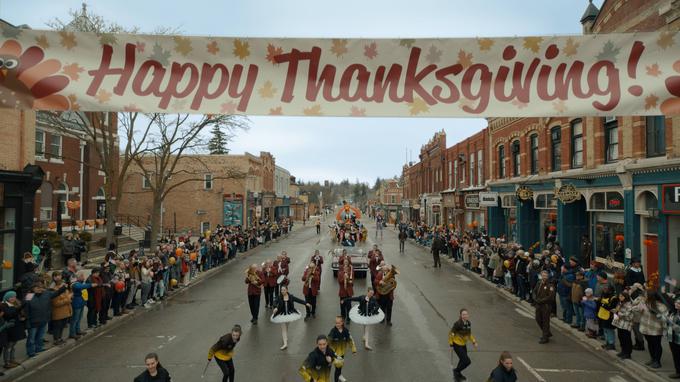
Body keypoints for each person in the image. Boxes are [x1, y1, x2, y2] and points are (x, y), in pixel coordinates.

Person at [25, 280, 67, 357]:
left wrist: (63, 287)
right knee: (31, 339)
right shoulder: (29, 296)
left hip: (44, 320)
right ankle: (30, 352)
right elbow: (25, 310)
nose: (39, 289)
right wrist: (27, 321)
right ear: (33, 288)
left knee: (40, 336)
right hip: (32, 321)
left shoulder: (46, 294)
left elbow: (56, 293)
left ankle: (38, 348)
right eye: (37, 288)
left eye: (41, 288)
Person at [271, 285, 310, 350]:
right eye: (281, 290)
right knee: (283, 329)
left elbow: (298, 300)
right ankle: (285, 344)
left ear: (287, 290)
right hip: (281, 315)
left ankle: (285, 338)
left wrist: (306, 303)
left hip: (289, 314)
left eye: (284, 290)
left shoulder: (291, 297)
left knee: (286, 327)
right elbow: (274, 302)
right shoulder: (279, 297)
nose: (282, 291)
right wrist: (275, 308)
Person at [639, 290, 669, 369]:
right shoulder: (645, 303)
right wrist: (640, 308)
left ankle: (657, 361)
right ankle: (652, 359)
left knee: (656, 345)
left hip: (656, 329)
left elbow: (666, 318)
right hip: (645, 328)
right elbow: (637, 311)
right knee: (650, 343)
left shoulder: (661, 306)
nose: (644, 296)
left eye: (646, 295)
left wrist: (657, 314)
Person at [448, 308, 478, 382]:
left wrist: (474, 342)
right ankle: (456, 371)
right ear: (461, 315)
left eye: (466, 314)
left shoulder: (468, 323)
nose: (465, 316)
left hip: (463, 345)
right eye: (463, 314)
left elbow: (469, 334)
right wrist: (451, 343)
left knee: (462, 360)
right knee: (467, 361)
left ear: (468, 315)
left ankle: (458, 374)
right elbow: (451, 333)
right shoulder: (457, 324)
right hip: (457, 345)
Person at [327, 316, 356, 382]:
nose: (337, 324)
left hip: (342, 352)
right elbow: (328, 341)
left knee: (340, 366)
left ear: (342, 322)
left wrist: (353, 349)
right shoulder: (333, 331)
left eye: (338, 323)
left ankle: (339, 375)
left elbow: (350, 340)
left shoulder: (346, 331)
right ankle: (337, 379)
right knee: (337, 368)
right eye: (336, 323)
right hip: (334, 353)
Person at [1, 291, 24, 369]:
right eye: (11, 297)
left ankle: (12, 359)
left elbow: (18, 312)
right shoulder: (3, 305)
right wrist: (18, 308)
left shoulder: (14, 304)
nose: (13, 298)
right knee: (8, 346)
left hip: (16, 327)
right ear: (7, 297)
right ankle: (6, 362)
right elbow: (9, 313)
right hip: (9, 328)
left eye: (14, 297)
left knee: (13, 344)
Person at [49, 272, 72, 345]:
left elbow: (68, 295)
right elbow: (56, 303)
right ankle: (56, 340)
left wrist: (68, 297)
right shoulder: (53, 289)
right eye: (57, 276)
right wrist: (67, 299)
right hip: (58, 312)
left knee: (62, 326)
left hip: (65, 311)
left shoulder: (64, 288)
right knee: (57, 327)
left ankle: (60, 338)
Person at [533, 270, 555, 344]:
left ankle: (545, 337)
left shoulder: (550, 285)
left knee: (545, 321)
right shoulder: (539, 282)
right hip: (538, 305)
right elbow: (534, 291)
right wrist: (535, 298)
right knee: (538, 319)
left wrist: (541, 300)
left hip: (546, 306)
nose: (544, 277)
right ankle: (547, 332)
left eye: (545, 275)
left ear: (548, 276)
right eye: (543, 275)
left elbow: (550, 296)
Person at [613, 290, 634, 360]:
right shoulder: (620, 303)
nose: (620, 297)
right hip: (619, 324)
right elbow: (617, 310)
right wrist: (615, 311)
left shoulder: (629, 304)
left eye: (621, 296)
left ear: (625, 297)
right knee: (621, 337)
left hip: (626, 325)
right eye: (619, 296)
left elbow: (629, 316)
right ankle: (623, 351)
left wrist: (618, 313)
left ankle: (628, 353)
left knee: (626, 339)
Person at [664, 296, 680, 379]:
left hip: (679, 339)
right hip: (671, 337)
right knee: (675, 355)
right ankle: (678, 372)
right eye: (676, 303)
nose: (676, 304)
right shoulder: (673, 312)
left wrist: (677, 327)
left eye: (679, 303)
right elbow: (667, 322)